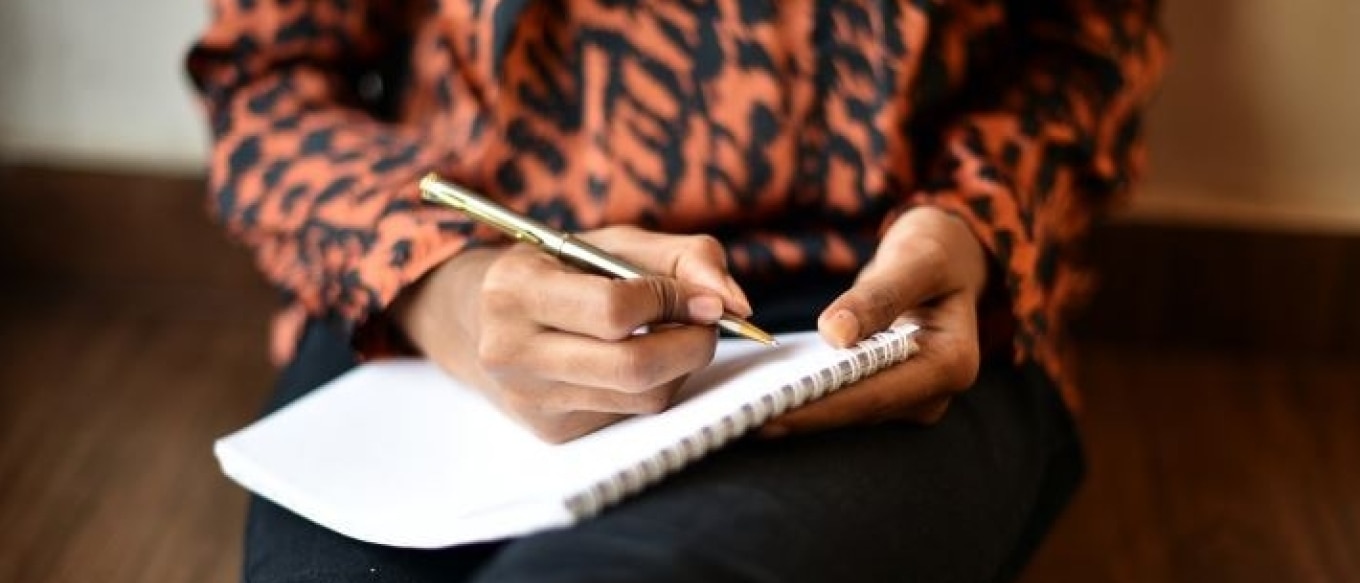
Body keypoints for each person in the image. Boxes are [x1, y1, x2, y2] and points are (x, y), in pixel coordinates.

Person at [186, 1, 1164, 581]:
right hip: (439, 283)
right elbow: (267, 79)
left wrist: (974, 220)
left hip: (870, 295)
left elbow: (1086, 49)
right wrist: (436, 278)